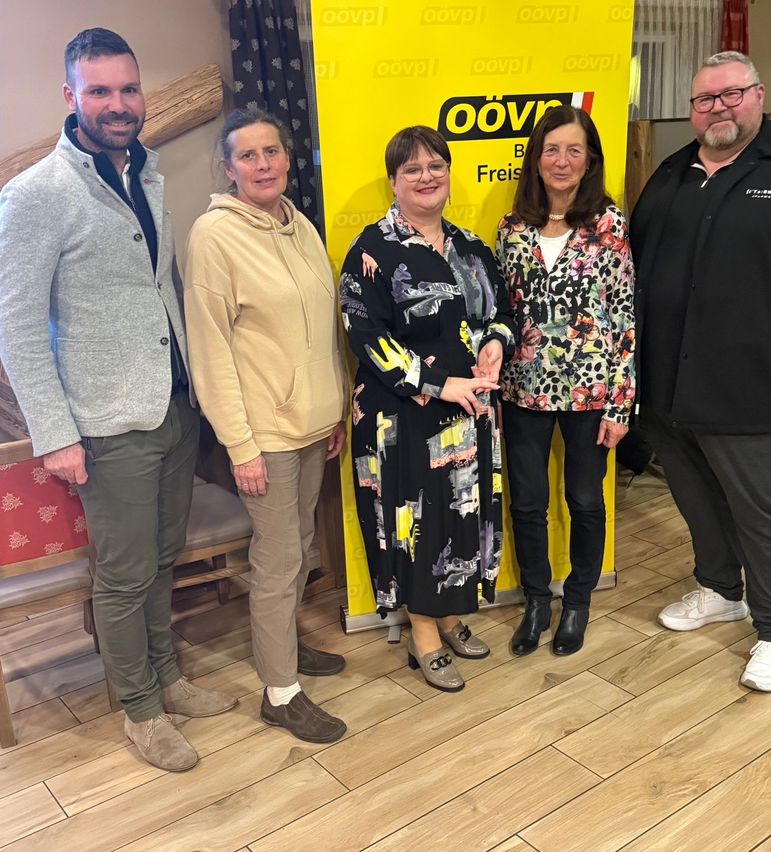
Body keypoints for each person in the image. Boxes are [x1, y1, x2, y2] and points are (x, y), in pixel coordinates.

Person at [0, 28, 237, 772]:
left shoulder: (145, 172)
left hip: (170, 409)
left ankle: (167, 676)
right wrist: (56, 435)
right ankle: (139, 709)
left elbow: (153, 286)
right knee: (126, 573)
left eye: (128, 89)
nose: (117, 104)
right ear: (71, 98)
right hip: (105, 425)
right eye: (99, 91)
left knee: (163, 559)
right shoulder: (36, 195)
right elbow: (16, 329)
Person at [631, 52, 771, 692]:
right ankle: (721, 589)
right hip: (669, 384)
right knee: (697, 497)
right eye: (704, 99)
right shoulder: (673, 173)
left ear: (758, 95)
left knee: (765, 511)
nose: (717, 107)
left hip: (759, 384)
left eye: (731, 94)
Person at [184, 107, 349, 742]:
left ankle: (285, 651)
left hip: (311, 426)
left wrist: (331, 409)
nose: (263, 165)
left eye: (272, 152)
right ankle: (280, 694)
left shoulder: (298, 224)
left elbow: (322, 325)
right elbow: (211, 351)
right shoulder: (214, 237)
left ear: (287, 158)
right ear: (229, 169)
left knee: (300, 547)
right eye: (248, 156)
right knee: (278, 560)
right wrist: (240, 445)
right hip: (264, 437)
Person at [340, 126, 516, 692]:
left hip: (470, 412)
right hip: (403, 416)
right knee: (413, 523)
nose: (427, 177)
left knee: (462, 517)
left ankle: (450, 614)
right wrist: (439, 385)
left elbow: (501, 310)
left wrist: (495, 344)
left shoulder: (469, 245)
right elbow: (365, 335)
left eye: (436, 165)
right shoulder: (372, 249)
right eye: (412, 169)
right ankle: (423, 634)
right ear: (393, 181)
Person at [496, 105, 636, 657]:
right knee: (528, 502)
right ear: (536, 158)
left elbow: (623, 315)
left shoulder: (610, 224)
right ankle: (536, 601)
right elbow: (502, 312)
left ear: (590, 160)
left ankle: (577, 601)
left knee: (584, 500)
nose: (561, 160)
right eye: (550, 149)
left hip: (591, 391)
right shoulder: (512, 228)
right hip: (523, 390)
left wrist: (622, 402)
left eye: (573, 150)